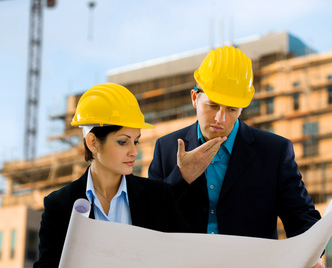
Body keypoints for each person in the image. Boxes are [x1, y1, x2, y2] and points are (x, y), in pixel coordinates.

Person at [148, 46, 324, 268]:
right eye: (212, 105)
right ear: (194, 98)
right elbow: (149, 222)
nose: (220, 118)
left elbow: (300, 214)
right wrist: (181, 178)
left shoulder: (274, 151)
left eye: (232, 109)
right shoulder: (166, 149)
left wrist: (310, 254)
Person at [34, 83, 188, 268]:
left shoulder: (159, 197)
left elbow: (182, 257)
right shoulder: (59, 205)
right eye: (123, 142)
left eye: (136, 141)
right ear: (93, 143)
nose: (133, 151)